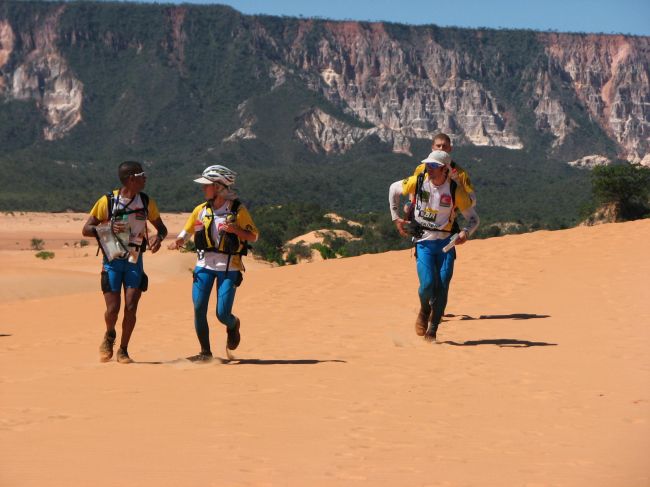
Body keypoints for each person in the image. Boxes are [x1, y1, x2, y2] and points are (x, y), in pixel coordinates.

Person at [167, 165, 259, 362]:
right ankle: (205, 353)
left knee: (222, 313)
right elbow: (187, 230)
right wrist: (179, 241)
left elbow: (254, 236)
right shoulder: (200, 210)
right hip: (204, 266)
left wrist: (236, 230)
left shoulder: (237, 211)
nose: (203, 189)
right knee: (199, 307)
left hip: (229, 267)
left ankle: (233, 324)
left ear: (218, 187)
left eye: (207, 185)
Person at [82, 161, 168, 363]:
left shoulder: (146, 202)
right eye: (142, 175)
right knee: (113, 309)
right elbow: (86, 229)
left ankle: (123, 350)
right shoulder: (108, 201)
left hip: (135, 260)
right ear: (131, 178)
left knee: (131, 306)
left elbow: (161, 228)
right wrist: (107, 230)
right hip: (112, 259)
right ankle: (109, 334)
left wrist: (159, 237)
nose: (145, 178)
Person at [389, 150, 479, 341]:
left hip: (446, 244)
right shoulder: (418, 181)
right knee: (427, 285)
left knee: (443, 286)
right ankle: (424, 309)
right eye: (428, 165)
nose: (429, 169)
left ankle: (433, 329)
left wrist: (465, 233)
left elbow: (473, 218)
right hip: (424, 242)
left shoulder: (455, 190)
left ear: (445, 169)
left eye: (434, 166)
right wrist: (396, 217)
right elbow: (393, 189)